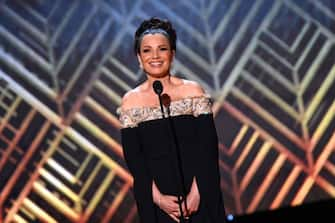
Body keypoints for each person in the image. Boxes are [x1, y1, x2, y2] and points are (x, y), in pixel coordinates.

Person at [117, 17, 226, 223]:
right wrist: (159, 200)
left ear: (172, 54)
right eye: (147, 50)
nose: (155, 56)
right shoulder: (130, 101)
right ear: (139, 58)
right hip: (159, 206)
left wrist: (197, 193)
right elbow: (135, 161)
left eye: (162, 49)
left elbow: (208, 148)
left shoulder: (192, 91)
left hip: (200, 197)